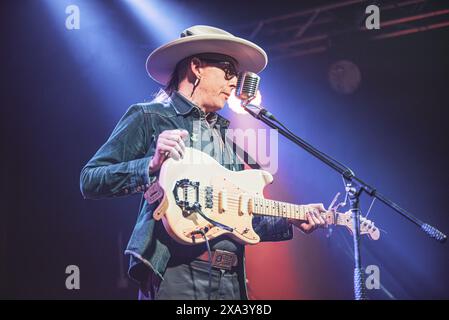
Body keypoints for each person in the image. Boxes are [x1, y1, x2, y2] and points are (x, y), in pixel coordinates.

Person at [80, 25, 327, 300]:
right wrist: (149, 165)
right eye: (228, 71)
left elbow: (235, 216)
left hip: (231, 280)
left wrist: (293, 218)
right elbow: (90, 179)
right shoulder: (149, 116)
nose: (234, 83)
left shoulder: (227, 139)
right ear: (196, 67)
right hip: (176, 273)